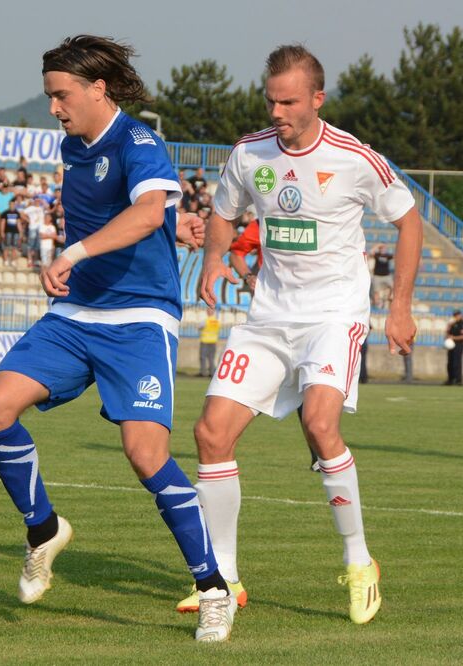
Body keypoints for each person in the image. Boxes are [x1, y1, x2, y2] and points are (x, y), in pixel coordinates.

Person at [0, 35, 228, 643]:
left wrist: (86, 247)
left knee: (145, 455)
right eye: (49, 96)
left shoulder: (139, 140)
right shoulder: (72, 146)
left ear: (98, 89)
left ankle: (213, 588)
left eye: (61, 96)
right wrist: (173, 222)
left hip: (140, 319)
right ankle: (42, 530)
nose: (55, 108)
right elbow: (143, 211)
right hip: (77, 312)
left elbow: (143, 211)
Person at [186, 44, 422, 627]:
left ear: (317, 99)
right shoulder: (248, 153)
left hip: (333, 315)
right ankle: (226, 579)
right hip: (269, 317)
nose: (277, 111)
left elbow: (409, 219)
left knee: (320, 425)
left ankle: (360, 561)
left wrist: (399, 307)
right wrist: (216, 259)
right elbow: (223, 211)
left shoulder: (353, 157)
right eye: (271, 100)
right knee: (211, 432)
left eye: (289, 101)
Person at [198, 307, 220, 377]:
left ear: (208, 312)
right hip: (213, 341)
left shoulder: (205, 321)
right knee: (211, 358)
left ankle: (203, 373)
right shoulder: (217, 321)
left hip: (205, 341)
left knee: (203, 357)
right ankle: (212, 373)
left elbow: (199, 327)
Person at [446, 310, 463, 386]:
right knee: (450, 362)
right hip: (451, 345)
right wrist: (448, 326)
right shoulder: (453, 324)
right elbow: (447, 333)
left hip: (459, 344)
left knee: (457, 362)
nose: (455, 316)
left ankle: (458, 380)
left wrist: (453, 337)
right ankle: (451, 379)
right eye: (454, 315)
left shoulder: (461, 324)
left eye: (457, 315)